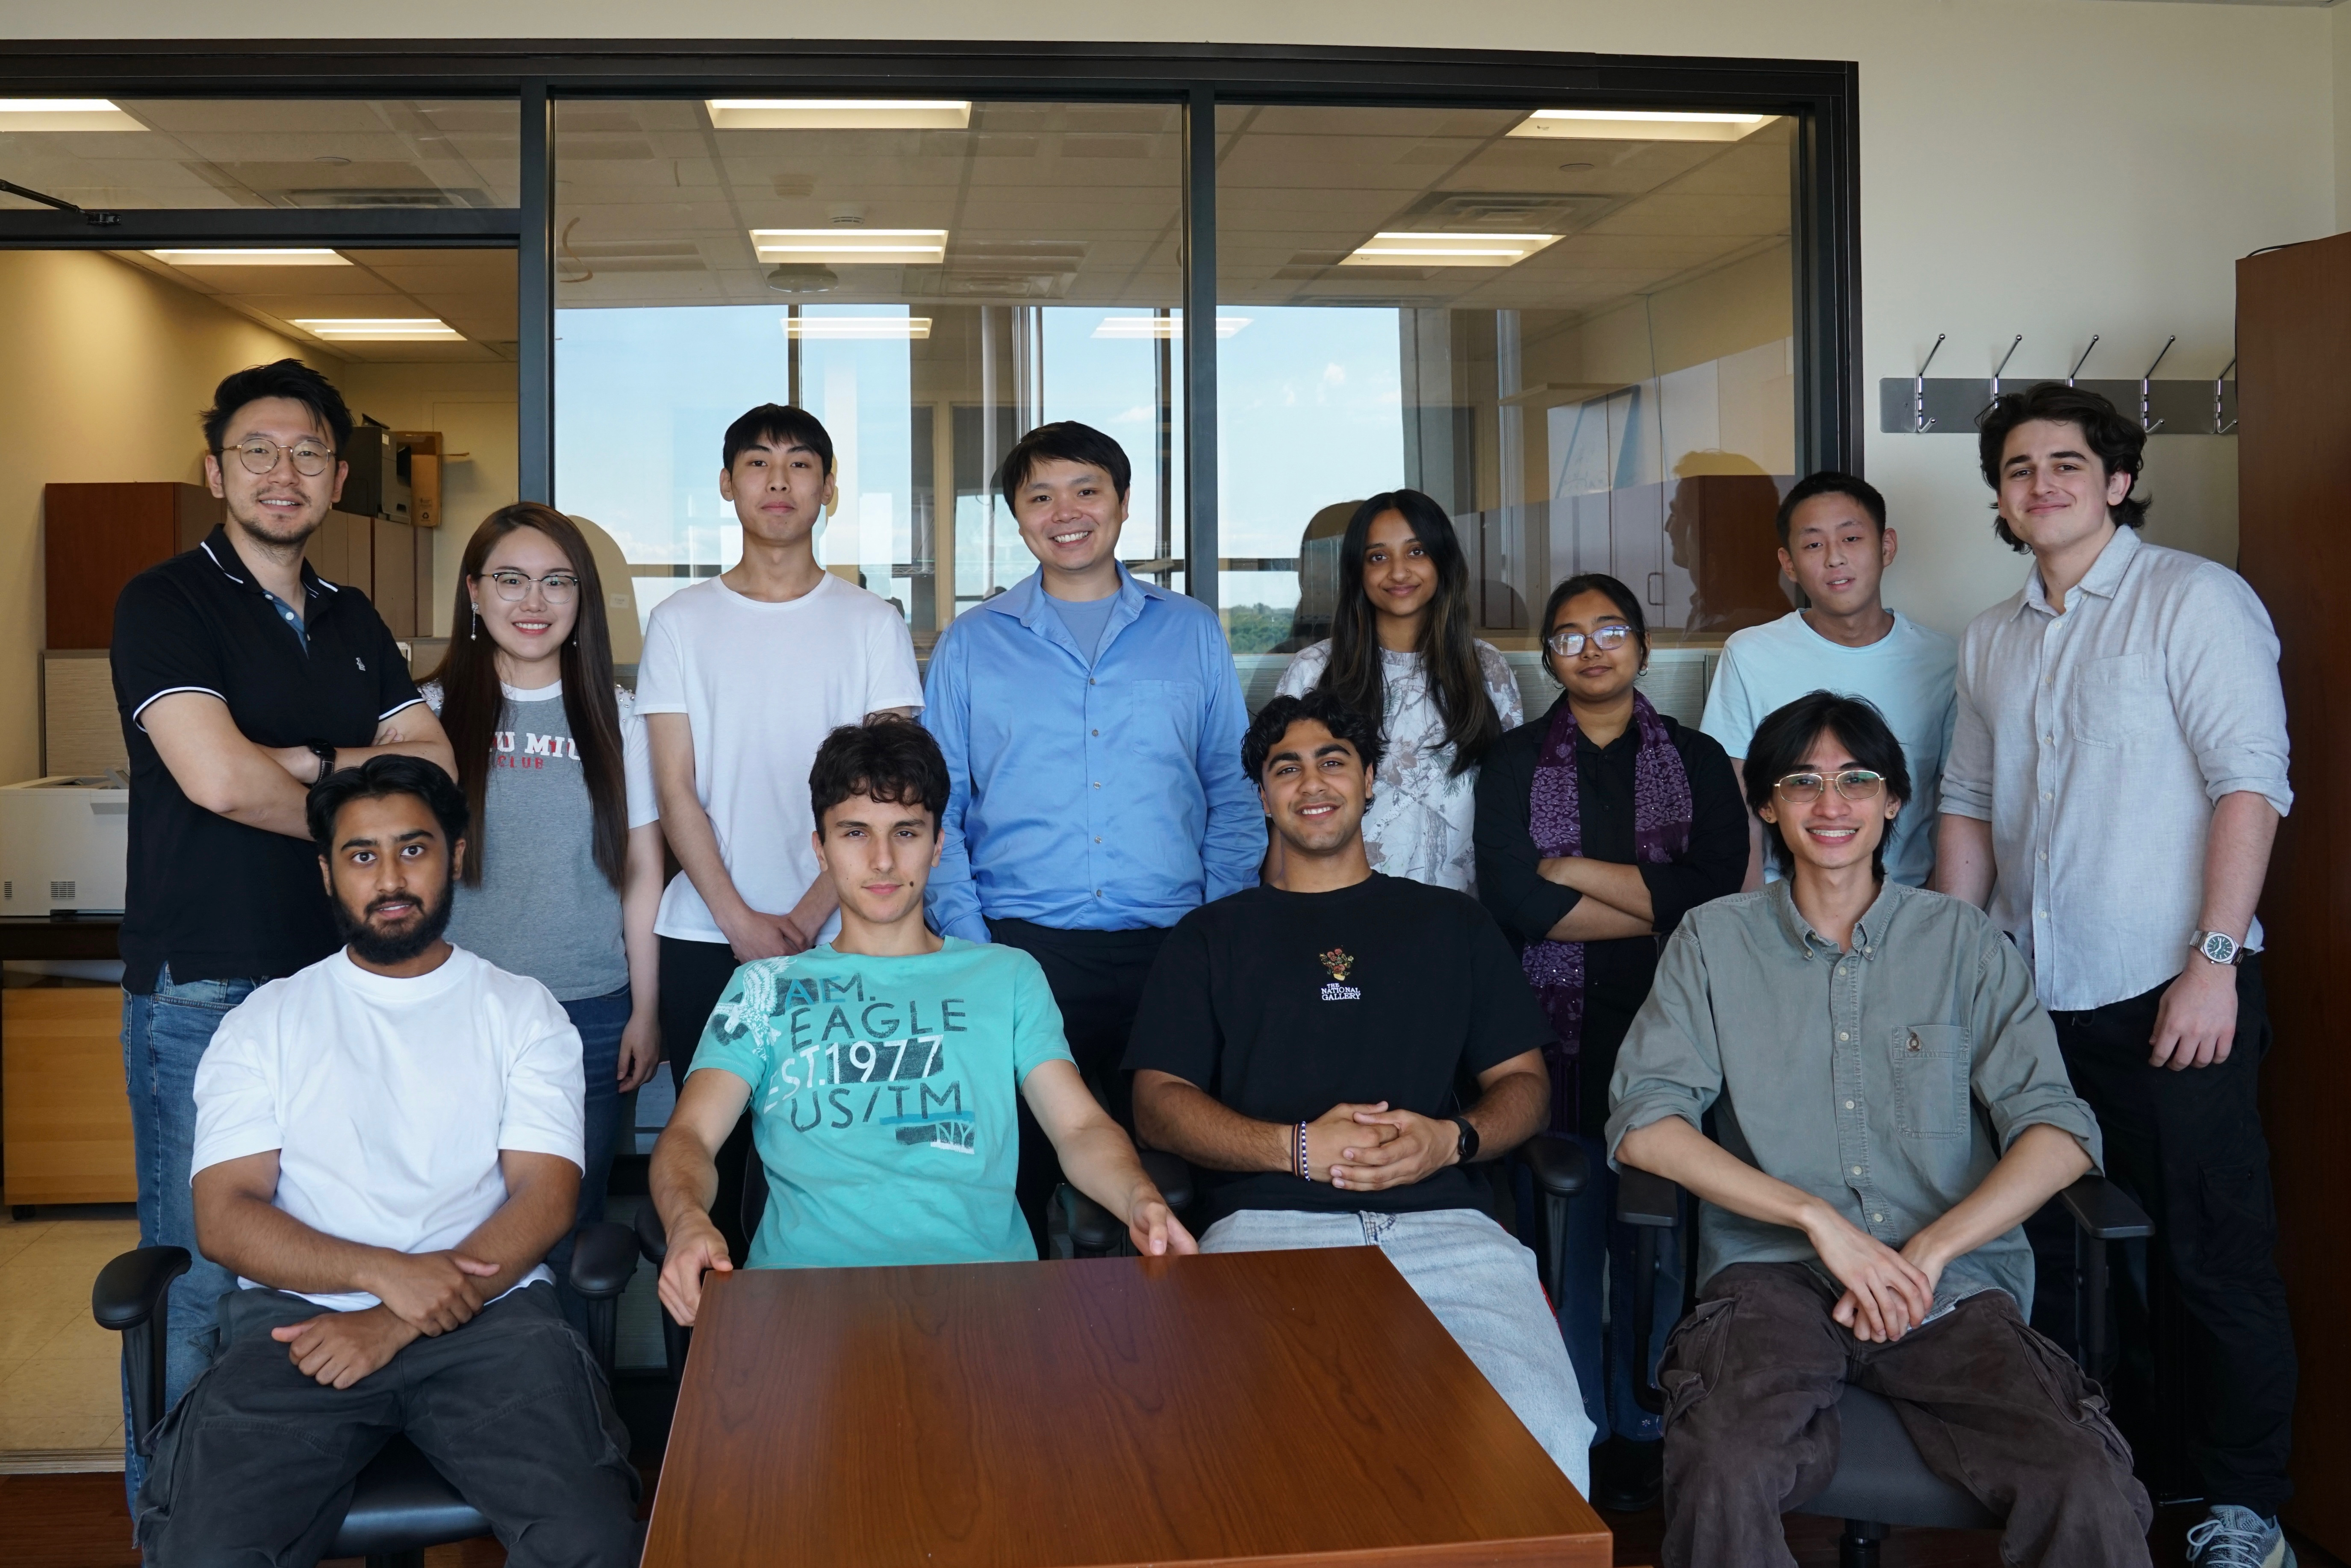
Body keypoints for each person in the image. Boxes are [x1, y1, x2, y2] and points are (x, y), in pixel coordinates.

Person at [1609, 692, 2151, 1568]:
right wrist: (1817, 1219)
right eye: (1802, 781)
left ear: (1893, 799)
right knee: (1725, 1465)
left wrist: (1929, 1250)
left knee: (2083, 1479)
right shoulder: (1712, 940)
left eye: (1856, 779)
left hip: (1950, 1286)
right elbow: (1645, 1124)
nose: (1830, 803)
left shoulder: (1961, 940)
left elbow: (2056, 1130)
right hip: (1772, 1278)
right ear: (1766, 804)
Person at [1935, 382, 2298, 1568]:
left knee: (2209, 1255)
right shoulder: (1990, 637)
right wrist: (1952, 974)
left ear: (2117, 481)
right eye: (2017, 469)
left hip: (2171, 991)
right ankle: (2109, 1489)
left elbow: (2249, 782)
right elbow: (1967, 803)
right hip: (2033, 1003)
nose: (2040, 484)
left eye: (2065, 464)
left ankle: (2241, 1510)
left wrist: (2213, 962)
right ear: (1998, 498)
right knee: (2065, 1254)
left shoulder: (2192, 599)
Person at [137, 755, 639, 1566]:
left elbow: (545, 1198)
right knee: (206, 1549)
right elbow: (225, 1217)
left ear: (456, 856)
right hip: (299, 1327)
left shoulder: (522, 1011)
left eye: (414, 848)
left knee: (592, 1538)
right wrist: (380, 1273)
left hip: (493, 1323)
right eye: (362, 855)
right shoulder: (264, 1021)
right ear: (327, 872)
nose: (391, 878)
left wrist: (395, 1317)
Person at [109, 358, 457, 1491]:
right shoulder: (165, 602)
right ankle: (173, 1524)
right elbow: (216, 779)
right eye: (255, 450)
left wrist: (296, 761)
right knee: (200, 1276)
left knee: (317, 1260)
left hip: (339, 987)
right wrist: (353, 774)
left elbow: (435, 766)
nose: (282, 472)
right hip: (205, 990)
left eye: (307, 452)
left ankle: (276, 1506)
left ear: (338, 478)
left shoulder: (352, 615)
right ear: (215, 471)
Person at [1126, 688, 1596, 1494]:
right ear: (1263, 795)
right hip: (1271, 1231)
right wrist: (1296, 1148)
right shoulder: (1210, 936)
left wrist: (1451, 1139)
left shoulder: (1453, 924)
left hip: (1450, 1228)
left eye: (1333, 761)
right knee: (1268, 1455)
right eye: (1287, 769)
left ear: (1370, 778)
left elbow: (1525, 1085)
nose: (1312, 783)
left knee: (1544, 1430)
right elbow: (1156, 1102)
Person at [649, 718, 1192, 1320]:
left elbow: (1080, 1128)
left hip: (985, 1300)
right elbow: (689, 1136)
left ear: (937, 846)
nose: (882, 860)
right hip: (803, 1305)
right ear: (820, 849)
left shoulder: (1007, 975)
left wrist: (1139, 1197)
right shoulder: (764, 987)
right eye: (856, 833)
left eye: (905, 833)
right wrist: (687, 1219)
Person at [921, 420, 1262, 1245]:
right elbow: (939, 808)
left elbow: (1233, 788)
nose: (1065, 512)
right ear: (1016, 515)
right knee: (1017, 1178)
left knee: (1184, 1178)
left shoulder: (1190, 630)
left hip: (1173, 947)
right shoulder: (972, 643)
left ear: (1123, 502)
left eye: (1086, 490)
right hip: (1023, 949)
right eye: (1040, 496)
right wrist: (974, 946)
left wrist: (1215, 929)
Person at [1472, 571, 1746, 1508]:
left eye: (1610, 630)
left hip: (1672, 1033)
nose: (1590, 649)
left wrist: (1572, 867)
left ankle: (1649, 1423)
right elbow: (1518, 902)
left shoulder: (1698, 758)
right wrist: (1654, 903)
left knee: (1659, 1240)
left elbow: (1715, 891)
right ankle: (1576, 1423)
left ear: (1643, 645)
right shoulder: (1512, 762)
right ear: (1547, 657)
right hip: (1548, 1040)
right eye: (1568, 636)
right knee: (1563, 1239)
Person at [637, 403, 924, 1256]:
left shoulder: (871, 621)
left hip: (846, 936)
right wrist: (739, 921)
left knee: (834, 1161)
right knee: (709, 1165)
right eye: (757, 463)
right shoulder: (679, 620)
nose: (778, 480)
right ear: (727, 486)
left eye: (800, 464)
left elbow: (891, 793)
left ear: (827, 488)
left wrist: (806, 917)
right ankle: (710, 1342)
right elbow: (673, 786)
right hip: (704, 935)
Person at [420, 502, 663, 1330]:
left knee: (565, 1231)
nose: (534, 601)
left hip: (584, 1015)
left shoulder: (619, 716)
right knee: (451, 1223)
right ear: (474, 593)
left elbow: (641, 873)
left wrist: (645, 1008)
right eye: (511, 580)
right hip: (452, 1015)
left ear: (582, 598)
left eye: (557, 582)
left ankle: (559, 1395)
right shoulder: (425, 712)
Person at [1698, 471, 1956, 890]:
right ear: (1789, 563)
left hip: (1906, 901)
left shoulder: (1945, 661)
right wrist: (1751, 915)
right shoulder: (1750, 655)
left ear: (1886, 546)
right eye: (1813, 545)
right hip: (1784, 903)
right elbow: (1737, 806)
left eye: (1851, 538)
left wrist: (1935, 911)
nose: (1835, 558)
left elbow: (1957, 804)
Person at [1275, 488, 1521, 893]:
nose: (1399, 572)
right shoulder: (1312, 670)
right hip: (1340, 907)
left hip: (1460, 910)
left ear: (1443, 560)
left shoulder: (1486, 669)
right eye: (1378, 557)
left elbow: (1511, 808)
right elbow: (1283, 810)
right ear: (1357, 571)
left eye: (1416, 552)